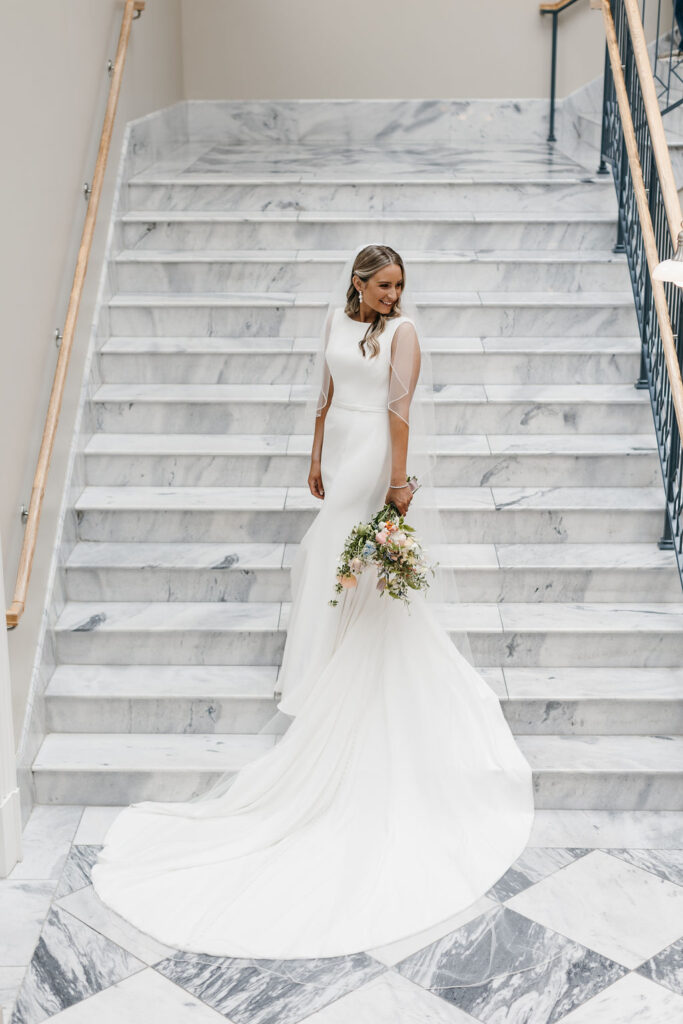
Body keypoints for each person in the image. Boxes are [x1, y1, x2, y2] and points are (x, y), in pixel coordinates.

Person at [90, 243, 535, 960]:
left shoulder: (405, 333)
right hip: (338, 445)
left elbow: (400, 411)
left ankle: (342, 667)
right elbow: (326, 394)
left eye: (399, 285)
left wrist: (396, 487)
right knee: (326, 557)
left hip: (375, 457)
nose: (394, 295)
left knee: (333, 551)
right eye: (384, 285)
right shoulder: (334, 319)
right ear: (358, 283)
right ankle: (330, 661)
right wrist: (311, 452)